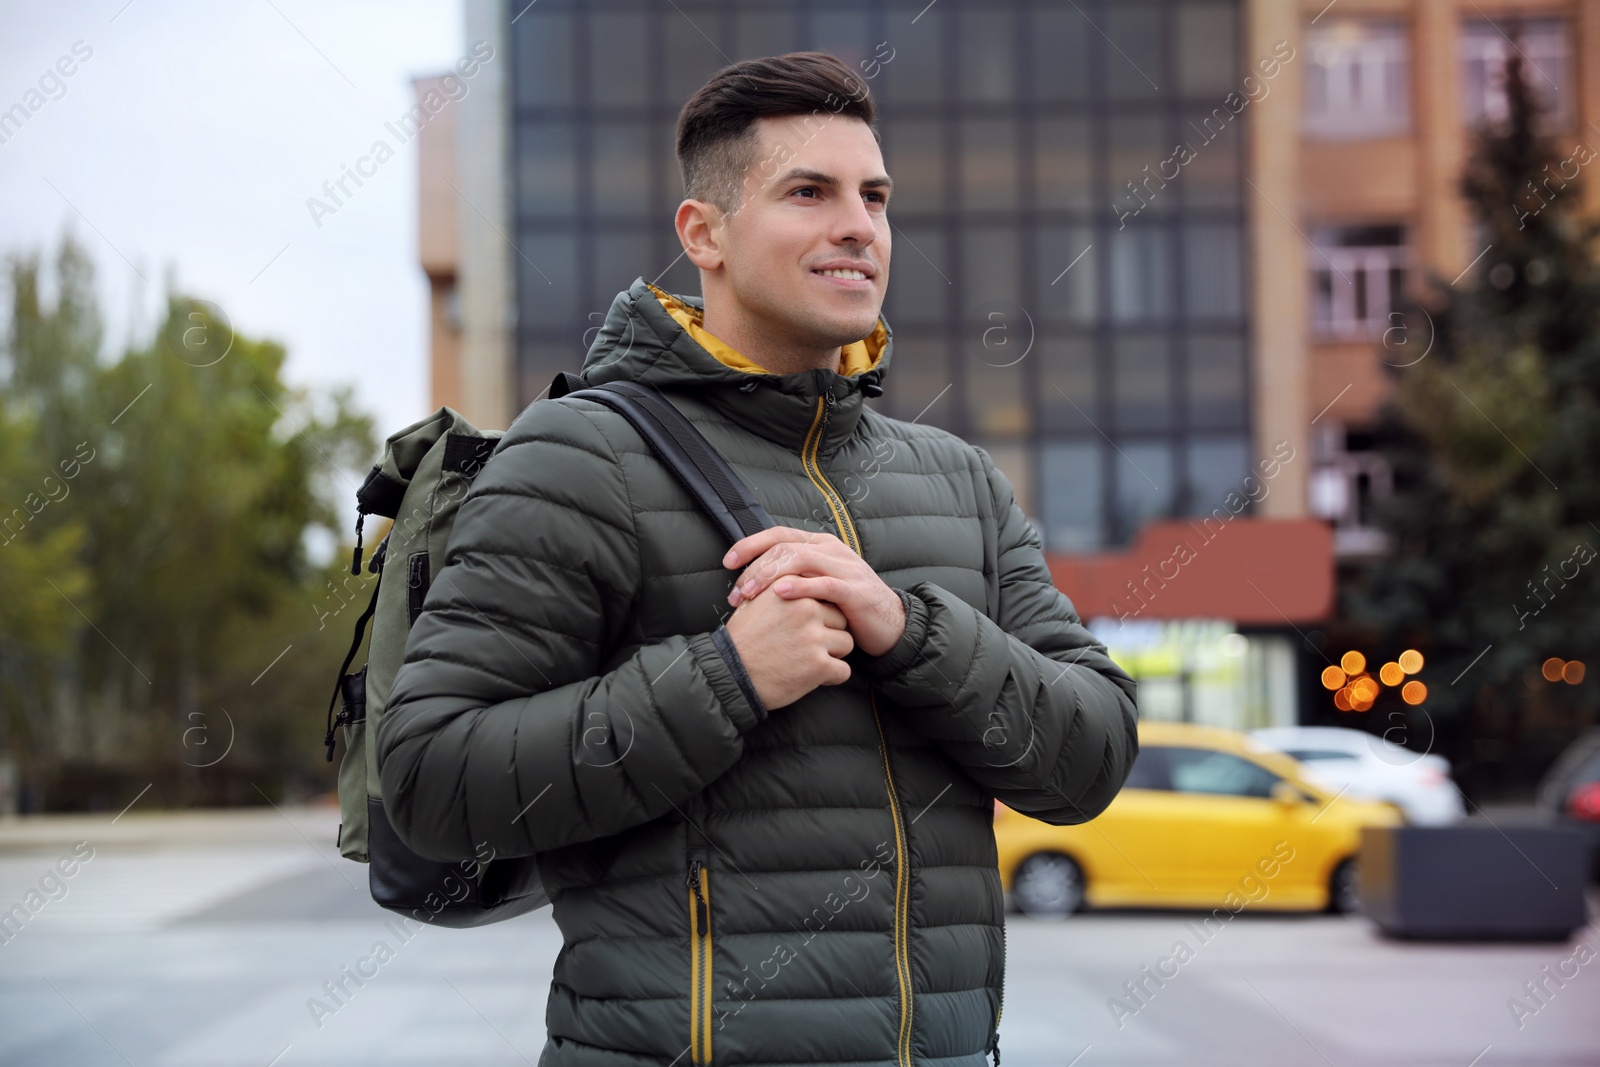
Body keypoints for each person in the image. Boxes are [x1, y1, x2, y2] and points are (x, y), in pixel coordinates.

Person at [377, 51, 1137, 1067]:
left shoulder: (959, 480)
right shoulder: (579, 454)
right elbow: (432, 777)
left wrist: (908, 629)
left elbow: (1090, 754)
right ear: (707, 234)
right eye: (808, 192)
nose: (858, 225)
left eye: (874, 196)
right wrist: (725, 677)